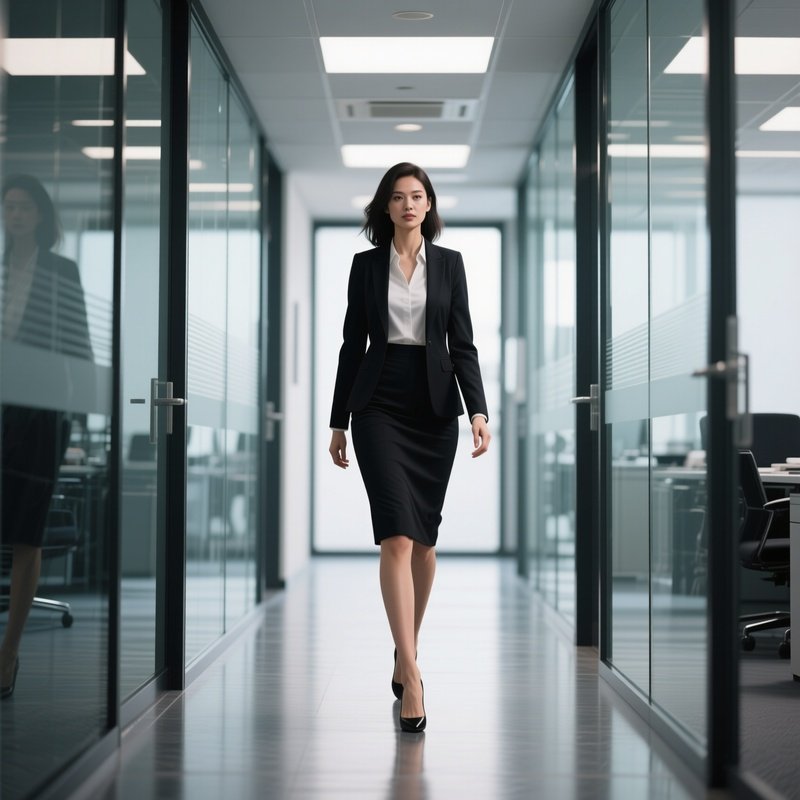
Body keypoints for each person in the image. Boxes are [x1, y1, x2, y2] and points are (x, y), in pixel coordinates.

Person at [328, 162, 490, 732]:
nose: (408, 205)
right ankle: (415, 675)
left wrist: (479, 411)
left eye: (417, 196)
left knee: (423, 540)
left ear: (429, 205)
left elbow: (463, 343)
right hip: (378, 403)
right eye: (398, 197)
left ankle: (403, 651)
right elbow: (352, 344)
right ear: (385, 207)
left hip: (434, 407)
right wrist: (338, 420)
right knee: (395, 534)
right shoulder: (365, 266)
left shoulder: (450, 265)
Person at [0, 174, 93, 698]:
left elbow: (78, 343)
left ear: (40, 217)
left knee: (26, 533)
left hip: (39, 416)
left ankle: (8, 651)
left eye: (23, 209)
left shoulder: (60, 272)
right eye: (7, 208)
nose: (14, 216)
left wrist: (77, 414)